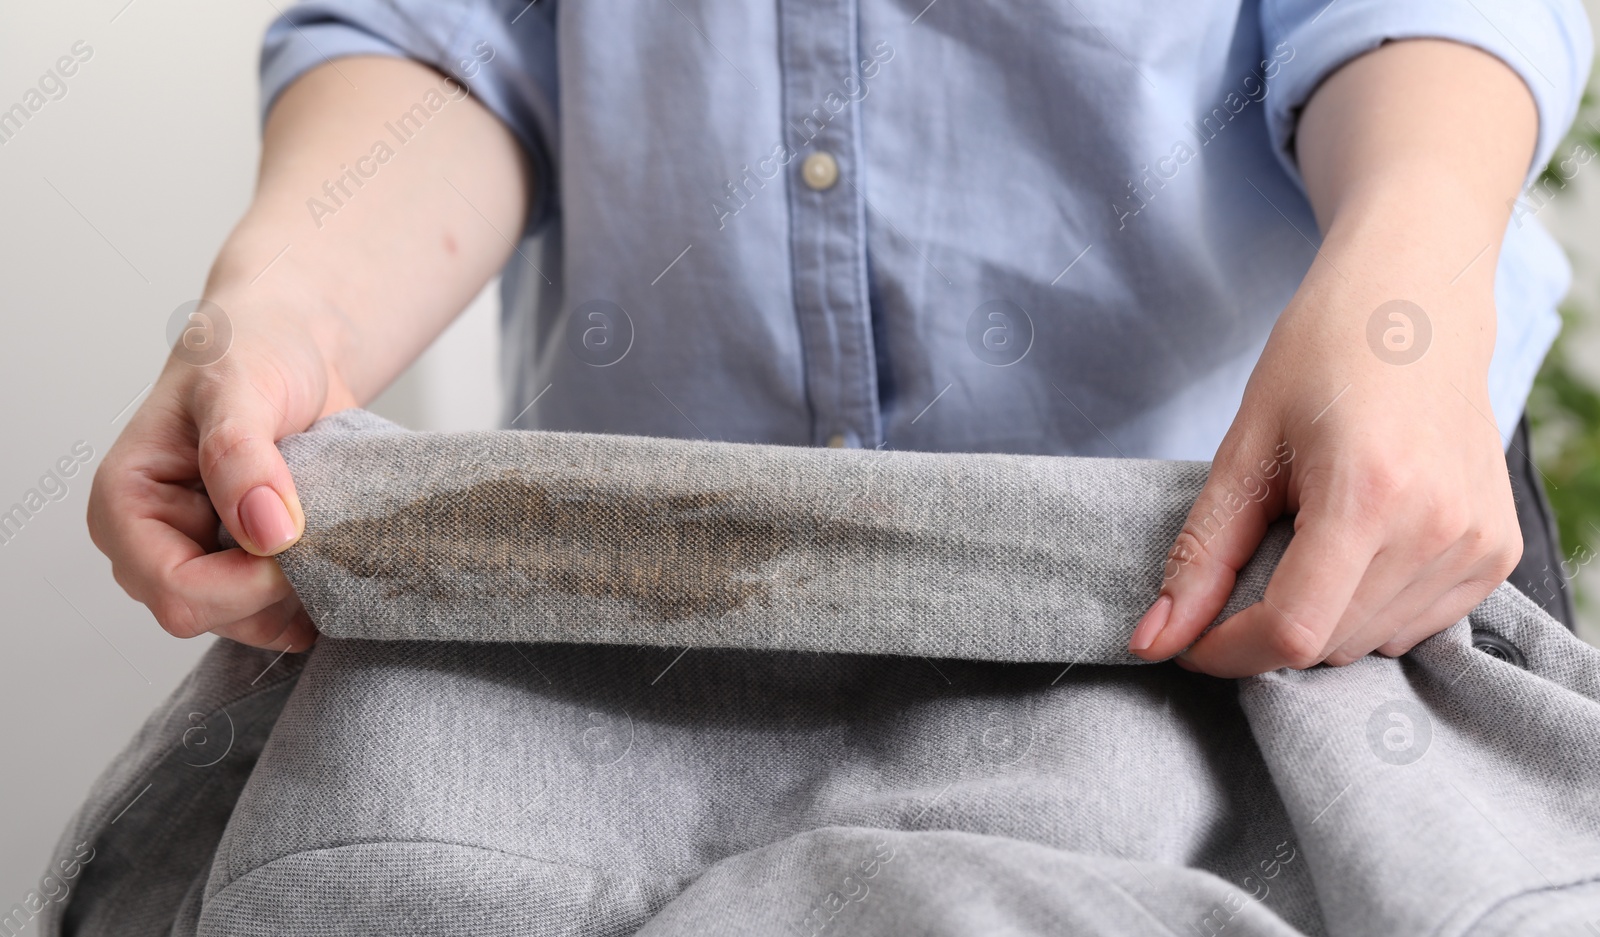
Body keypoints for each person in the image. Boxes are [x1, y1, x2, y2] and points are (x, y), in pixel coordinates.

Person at [87, 0, 1593, 678]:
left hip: (1290, 556)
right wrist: (289, 299)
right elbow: (450, 37)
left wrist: (1408, 277)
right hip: (644, 624)